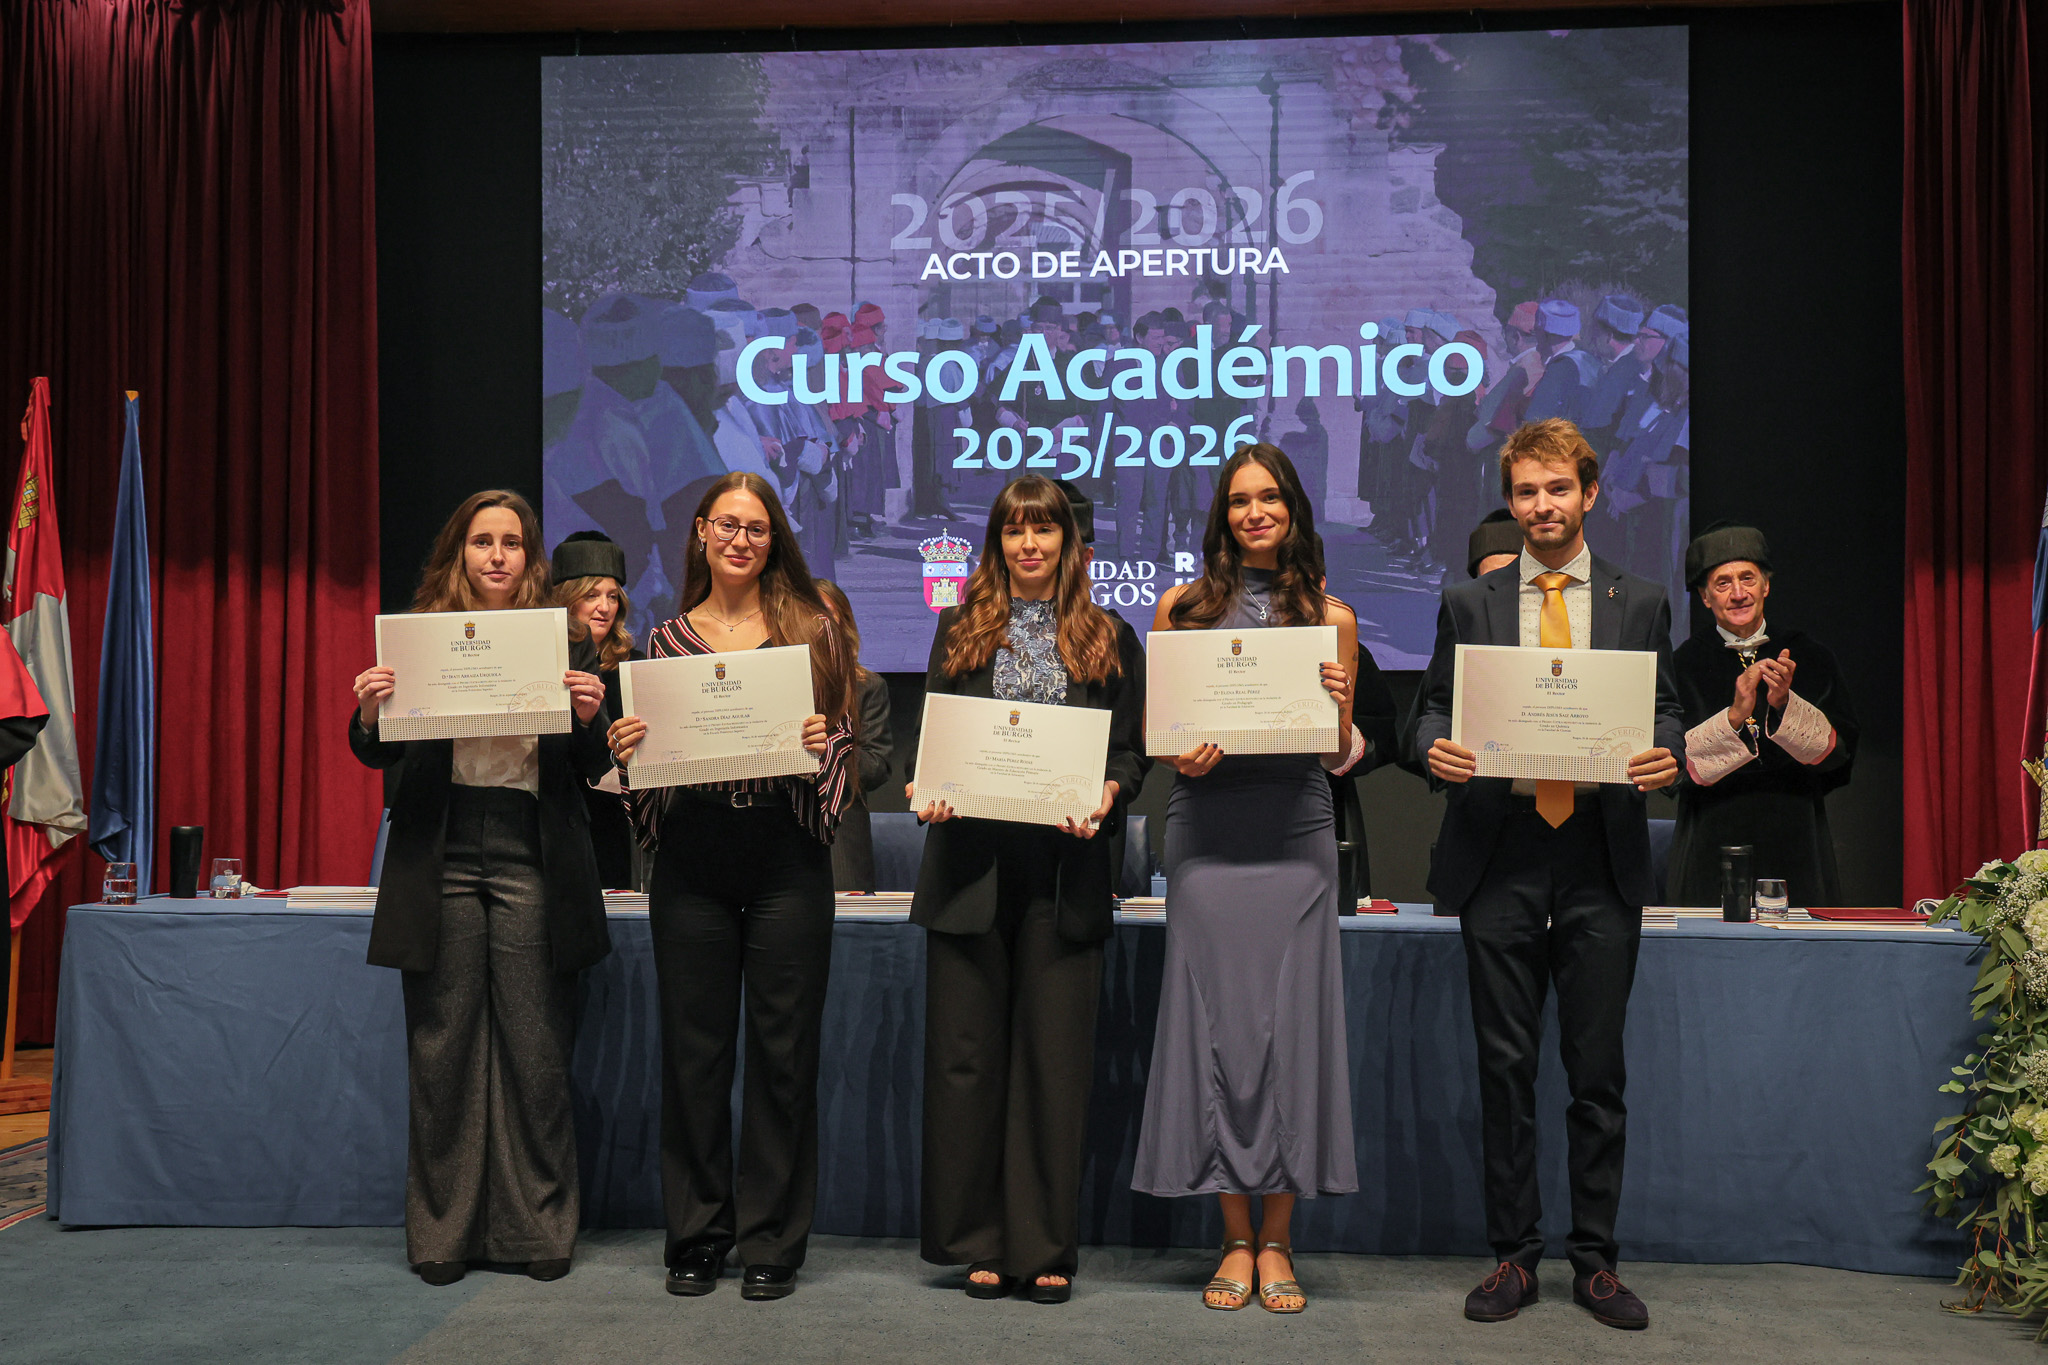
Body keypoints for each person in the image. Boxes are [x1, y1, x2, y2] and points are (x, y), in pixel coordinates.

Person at [1414, 419, 1684, 1331]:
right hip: (1501, 854)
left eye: (1556, 489)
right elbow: (1427, 714)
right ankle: (1514, 1257)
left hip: (1601, 859)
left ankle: (1596, 1263)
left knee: (1595, 1071)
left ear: (1590, 493)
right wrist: (1433, 752)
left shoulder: (1641, 600)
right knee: (1505, 1067)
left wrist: (1669, 754)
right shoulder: (1469, 602)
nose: (1541, 507)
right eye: (1525, 492)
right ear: (1511, 499)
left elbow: (1668, 712)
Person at [348, 490, 611, 1287]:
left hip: (531, 850)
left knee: (536, 1048)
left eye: (511, 543)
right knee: (443, 1048)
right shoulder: (421, 636)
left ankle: (537, 1227)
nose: (496, 555)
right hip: (445, 848)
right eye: (481, 541)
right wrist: (368, 712)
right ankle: (442, 1233)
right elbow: (375, 754)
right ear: (458, 554)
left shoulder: (565, 641)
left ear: (531, 558)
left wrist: (590, 715)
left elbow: (595, 767)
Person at [607, 471, 857, 1302]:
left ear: (773, 536)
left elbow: (846, 753)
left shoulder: (812, 632)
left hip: (786, 855)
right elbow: (648, 774)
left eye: (756, 527)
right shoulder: (664, 642)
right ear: (702, 536)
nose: (741, 539)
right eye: (726, 525)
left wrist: (825, 744)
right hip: (694, 858)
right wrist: (629, 745)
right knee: (695, 1054)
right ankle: (697, 1235)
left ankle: (773, 1242)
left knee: (784, 1057)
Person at [905, 473, 1146, 1305]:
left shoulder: (1111, 635)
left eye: (1044, 530)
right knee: (967, 1063)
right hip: (971, 869)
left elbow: (1127, 754)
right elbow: (935, 734)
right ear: (997, 541)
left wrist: (1111, 792)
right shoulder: (958, 628)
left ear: (1071, 543)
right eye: (1015, 530)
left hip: (1064, 874)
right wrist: (928, 787)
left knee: (1053, 1064)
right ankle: (977, 1239)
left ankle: (1042, 1243)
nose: (1029, 545)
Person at [1133, 444, 1359, 1314]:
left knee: (1292, 1033)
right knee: (1217, 1031)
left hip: (1296, 830)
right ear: (1222, 516)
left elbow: (1337, 752)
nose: (1254, 512)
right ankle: (1234, 1237)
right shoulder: (1180, 610)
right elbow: (1166, 740)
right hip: (1208, 831)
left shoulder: (1331, 616)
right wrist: (1180, 753)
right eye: (1238, 501)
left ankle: (1280, 1241)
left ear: (1294, 508)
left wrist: (1338, 705)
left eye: (1269, 498)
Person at [1669, 524, 1858, 906]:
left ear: (1766, 586)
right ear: (1705, 598)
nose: (1738, 594)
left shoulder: (1811, 655)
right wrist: (1735, 716)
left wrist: (1784, 705)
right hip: (1711, 836)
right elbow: (1673, 769)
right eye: (1722, 584)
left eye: (1747, 579)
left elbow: (1840, 757)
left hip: (1796, 835)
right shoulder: (1681, 664)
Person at [552, 530, 642, 891]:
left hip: (611, 828)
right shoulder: (541, 665)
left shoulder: (634, 668)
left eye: (612, 596)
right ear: (565, 600)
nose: (604, 607)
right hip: (553, 824)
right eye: (591, 595)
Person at [815, 578, 894, 893]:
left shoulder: (867, 685)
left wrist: (826, 751)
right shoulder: (766, 687)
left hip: (841, 845)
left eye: (825, 613)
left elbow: (877, 766)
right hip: (774, 840)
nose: (815, 622)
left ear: (842, 623)